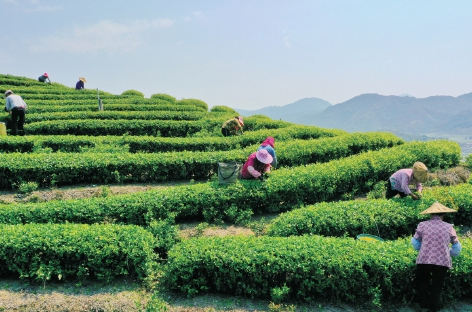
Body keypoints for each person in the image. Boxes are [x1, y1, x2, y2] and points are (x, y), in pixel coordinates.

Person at [411, 202, 462, 312]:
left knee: (423, 283)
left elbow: (414, 242)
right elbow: (456, 247)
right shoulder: (449, 227)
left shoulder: (422, 225)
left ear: (430, 214)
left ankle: (423, 305)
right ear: (443, 214)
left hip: (424, 259)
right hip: (442, 261)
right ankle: (434, 308)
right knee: (437, 286)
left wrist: (424, 248)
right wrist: (449, 253)